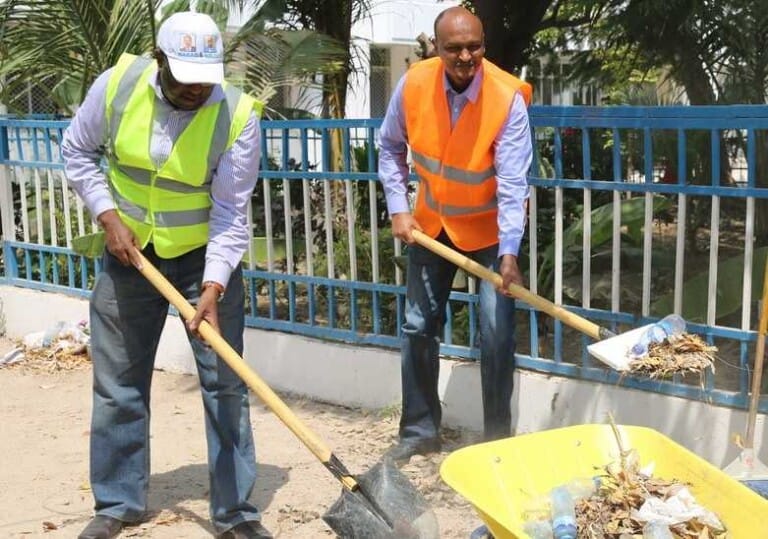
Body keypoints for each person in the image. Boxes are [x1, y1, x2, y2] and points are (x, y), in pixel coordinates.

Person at [62, 11, 272, 539]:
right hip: (128, 258)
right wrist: (108, 217)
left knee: (225, 384)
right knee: (119, 385)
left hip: (203, 260)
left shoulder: (237, 115)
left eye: (205, 80)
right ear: (159, 61)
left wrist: (213, 285)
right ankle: (118, 502)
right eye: (185, 79)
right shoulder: (117, 87)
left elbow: (231, 213)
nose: (196, 90)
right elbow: (77, 152)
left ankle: (235, 512)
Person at [378, 6, 533, 462]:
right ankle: (419, 431)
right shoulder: (414, 83)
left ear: (483, 44)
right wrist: (399, 209)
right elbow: (389, 147)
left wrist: (509, 253)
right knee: (418, 326)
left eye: (474, 46)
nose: (466, 57)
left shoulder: (506, 98)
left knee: (496, 332)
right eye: (454, 48)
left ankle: (496, 442)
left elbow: (513, 184)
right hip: (432, 225)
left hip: (488, 233)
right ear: (437, 47)